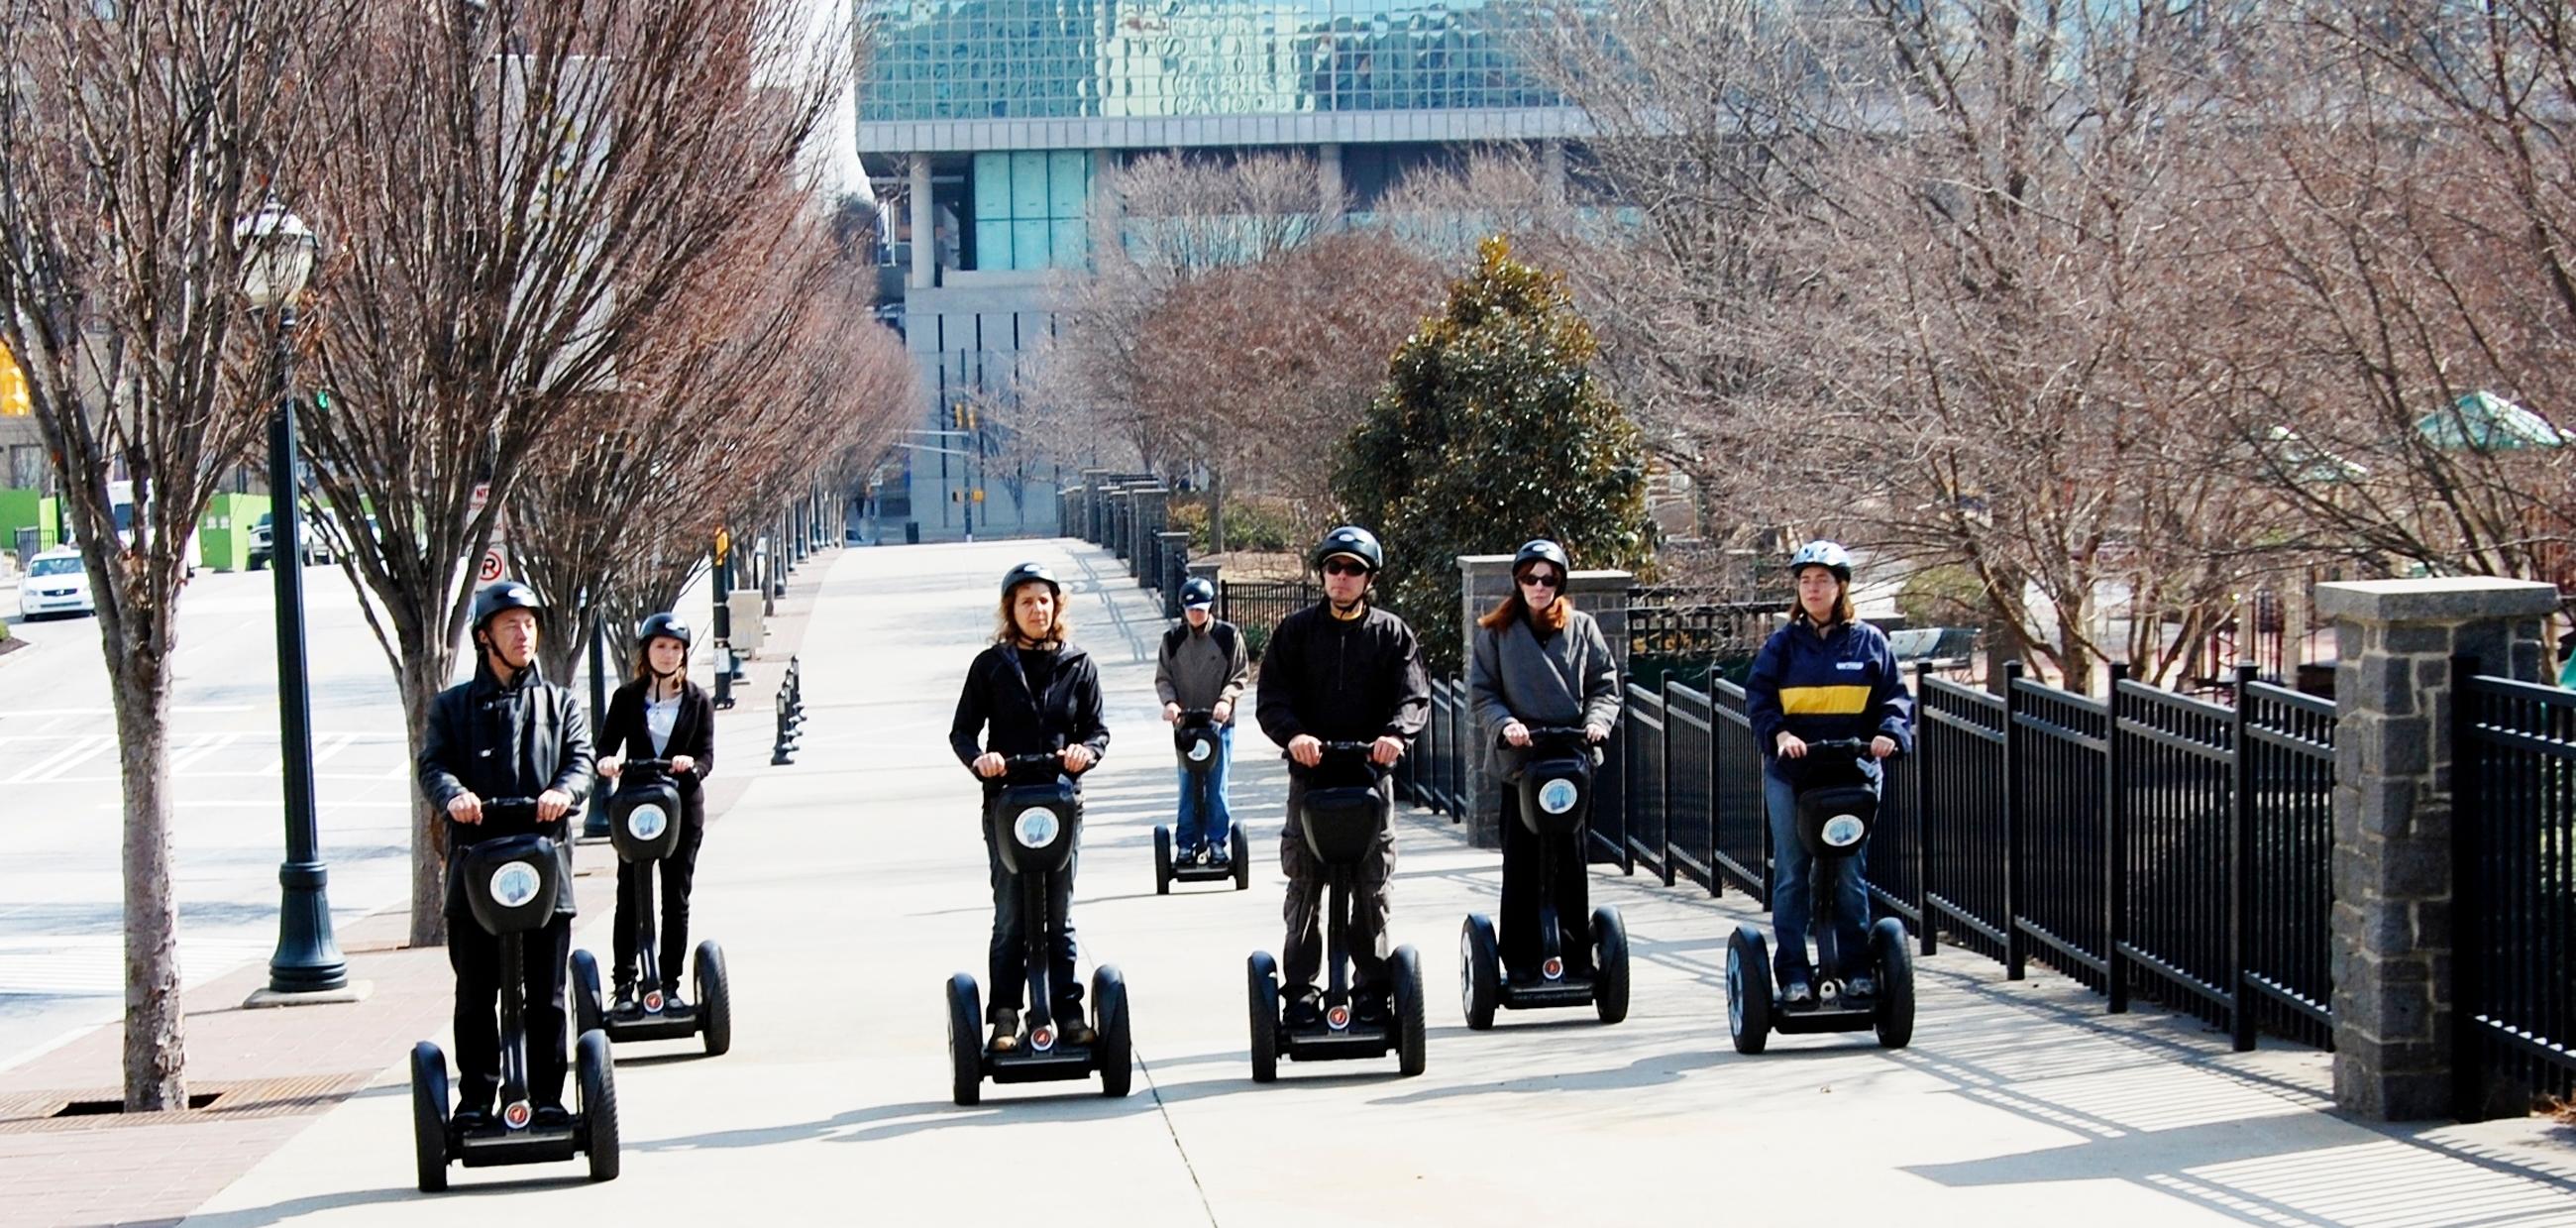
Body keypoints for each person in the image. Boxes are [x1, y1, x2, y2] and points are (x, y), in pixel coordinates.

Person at [417, 581, 593, 1130]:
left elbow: (581, 760)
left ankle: (546, 1096)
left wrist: (564, 791)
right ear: (484, 638)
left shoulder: (560, 703)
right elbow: (434, 766)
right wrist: (455, 795)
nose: (524, 634)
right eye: (511, 624)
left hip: (543, 868)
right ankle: (475, 1100)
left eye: (530, 623)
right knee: (474, 997)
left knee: (547, 995)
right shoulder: (451, 708)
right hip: (476, 868)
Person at [1254, 525, 1431, 1028]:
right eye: (1334, 567)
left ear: (1368, 578)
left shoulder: (1392, 634)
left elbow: (1414, 697)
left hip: (1370, 780)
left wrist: (1396, 737)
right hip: (1312, 781)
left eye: (1353, 569)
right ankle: (1303, 991)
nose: (1342, 577)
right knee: (1305, 888)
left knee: (1370, 888)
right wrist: (1293, 736)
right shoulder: (1296, 632)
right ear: (1323, 573)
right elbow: (1273, 698)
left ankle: (1372, 987)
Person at [949, 561, 1111, 1054]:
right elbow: (962, 732)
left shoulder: (1078, 663)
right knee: (1011, 915)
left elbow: (1097, 730)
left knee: (1059, 915)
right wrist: (982, 760)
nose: (1036, 609)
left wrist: (1087, 753)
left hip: (1061, 801)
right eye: (1026, 602)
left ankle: (1067, 1010)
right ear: (1010, 610)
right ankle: (1004, 1013)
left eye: (1044, 600)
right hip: (1007, 803)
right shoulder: (991, 666)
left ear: (1056, 606)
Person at [1743, 540, 1913, 1004]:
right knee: (1794, 870)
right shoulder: (1782, 645)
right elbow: (1759, 700)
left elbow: (1895, 700)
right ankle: (1795, 972)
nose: (1813, 589)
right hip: (1794, 775)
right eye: (1805, 581)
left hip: (1853, 772)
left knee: (1849, 872)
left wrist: (1890, 734)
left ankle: (1857, 967)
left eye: (1822, 580)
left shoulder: (1869, 641)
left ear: (1841, 587)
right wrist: (1778, 736)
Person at [1466, 539, 1621, 983]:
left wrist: (1597, 723)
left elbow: (1603, 686)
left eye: (1548, 578)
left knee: (1571, 859)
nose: (1539, 586)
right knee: (1521, 858)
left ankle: (1574, 956)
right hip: (1522, 761)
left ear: (1560, 583)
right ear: (1518, 581)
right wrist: (1505, 724)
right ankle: (1520, 957)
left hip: (1571, 757)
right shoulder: (1496, 633)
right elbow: (1483, 694)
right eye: (1531, 577)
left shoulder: (1583, 627)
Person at [596, 612, 717, 1015]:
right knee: (630, 897)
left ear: (684, 654)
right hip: (636, 811)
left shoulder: (698, 700)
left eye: (675, 648)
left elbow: (706, 755)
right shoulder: (627, 698)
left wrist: (692, 766)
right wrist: (608, 763)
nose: (668, 655)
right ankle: (625, 984)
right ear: (646, 652)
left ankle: (668, 984)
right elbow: (605, 747)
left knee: (674, 898)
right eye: (660, 647)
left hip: (681, 811)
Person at [1155, 576, 1250, 866]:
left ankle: (1217, 842)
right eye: (1191, 608)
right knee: (1187, 784)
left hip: (1218, 726)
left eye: (1202, 608)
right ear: (1183, 609)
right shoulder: (1172, 640)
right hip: (1186, 727)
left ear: (1211, 607)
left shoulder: (1227, 636)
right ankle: (1185, 844)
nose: (1197, 613)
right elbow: (1164, 678)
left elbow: (1239, 675)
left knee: (1217, 784)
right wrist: (1170, 703)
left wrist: (1226, 700)